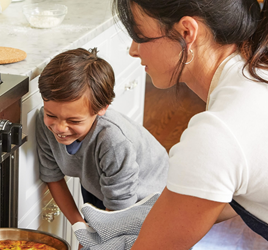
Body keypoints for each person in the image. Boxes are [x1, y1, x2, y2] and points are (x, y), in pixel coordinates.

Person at [109, 0, 268, 249]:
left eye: (139, 36)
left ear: (187, 32)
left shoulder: (221, 131)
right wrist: (156, 211)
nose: (133, 50)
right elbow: (246, 183)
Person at [35, 48, 169, 230]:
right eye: (51, 115)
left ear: (101, 109)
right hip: (103, 188)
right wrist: (80, 228)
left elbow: (119, 213)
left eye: (74, 120)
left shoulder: (114, 141)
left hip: (149, 204)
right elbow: (52, 176)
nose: (59, 128)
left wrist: (98, 238)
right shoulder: (44, 122)